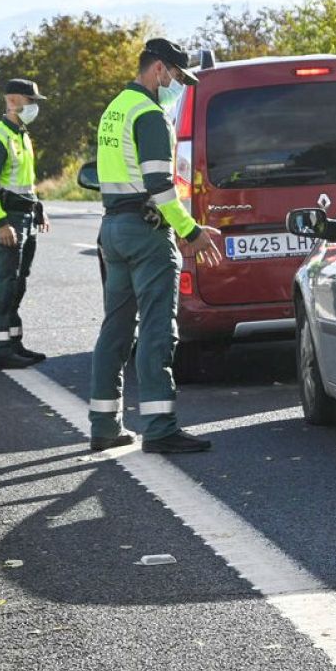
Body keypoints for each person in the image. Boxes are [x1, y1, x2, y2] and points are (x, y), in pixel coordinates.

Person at [86, 38, 223, 454]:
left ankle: (104, 425)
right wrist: (191, 231)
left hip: (113, 228)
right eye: (178, 77)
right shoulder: (148, 114)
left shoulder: (115, 109)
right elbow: (160, 187)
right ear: (160, 69)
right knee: (158, 329)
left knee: (116, 328)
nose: (178, 85)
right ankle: (160, 427)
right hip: (146, 233)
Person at [0, 78, 50, 370]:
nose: (34, 107)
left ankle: (13, 342)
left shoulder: (21, 134)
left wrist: (39, 209)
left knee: (18, 282)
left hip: (26, 217)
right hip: (9, 220)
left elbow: (25, 183)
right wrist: (0, 222)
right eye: (29, 100)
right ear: (12, 101)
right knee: (4, 282)